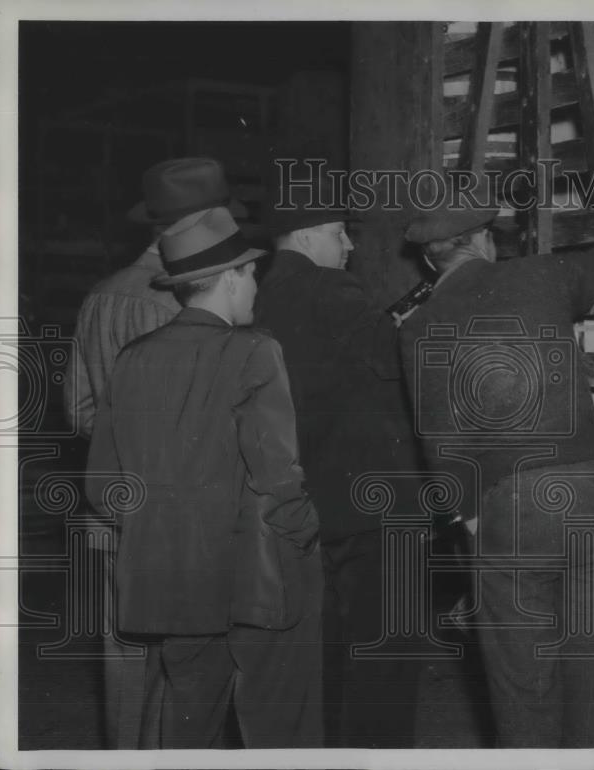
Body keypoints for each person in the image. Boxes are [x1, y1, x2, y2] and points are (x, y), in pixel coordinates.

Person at [85, 206, 323, 749]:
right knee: (280, 733)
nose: (256, 287)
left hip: (169, 586)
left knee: (190, 728)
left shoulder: (132, 359)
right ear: (233, 278)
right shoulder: (253, 349)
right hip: (256, 583)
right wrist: (308, 541)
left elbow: (103, 487)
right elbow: (279, 478)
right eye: (251, 274)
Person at [399, 203, 594, 748]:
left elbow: (441, 443)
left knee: (522, 684)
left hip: (512, 509)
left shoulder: (418, 327)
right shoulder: (541, 274)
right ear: (483, 241)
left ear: (431, 263)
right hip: (591, 493)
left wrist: (471, 523)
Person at [64, 156, 247, 749]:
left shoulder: (100, 295)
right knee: (188, 676)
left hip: (111, 510)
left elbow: (78, 409)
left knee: (125, 671)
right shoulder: (188, 306)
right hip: (176, 519)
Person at [253, 177, 423, 747]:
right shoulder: (332, 288)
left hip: (307, 506)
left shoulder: (254, 297)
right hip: (377, 510)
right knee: (388, 654)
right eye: (338, 232)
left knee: (321, 654)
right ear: (304, 236)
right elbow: (400, 363)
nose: (348, 245)